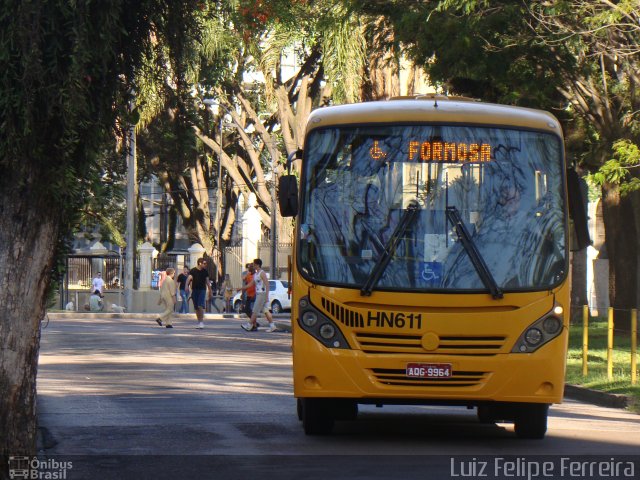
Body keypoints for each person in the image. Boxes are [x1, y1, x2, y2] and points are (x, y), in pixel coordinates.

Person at [240, 258, 276, 332]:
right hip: (258, 293)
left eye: (254, 264)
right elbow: (251, 284)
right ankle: (272, 326)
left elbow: (267, 284)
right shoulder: (256, 274)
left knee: (255, 310)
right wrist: (241, 288)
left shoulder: (262, 273)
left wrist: (266, 296)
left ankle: (249, 325)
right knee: (266, 311)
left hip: (262, 294)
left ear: (258, 265)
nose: (253, 266)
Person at [187, 258, 211, 329]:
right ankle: (199, 322)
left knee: (200, 305)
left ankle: (201, 322)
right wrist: (186, 286)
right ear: (200, 263)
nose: (205, 265)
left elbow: (207, 282)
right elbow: (189, 279)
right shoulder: (193, 270)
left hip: (202, 290)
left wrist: (210, 291)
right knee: (196, 307)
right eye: (204, 263)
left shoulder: (205, 271)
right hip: (194, 290)